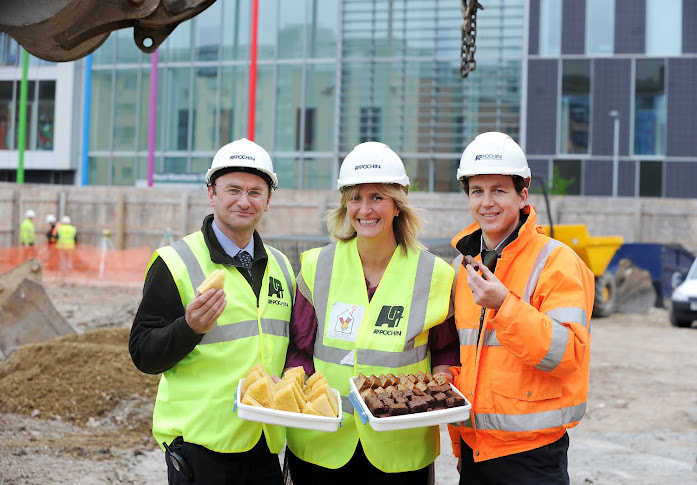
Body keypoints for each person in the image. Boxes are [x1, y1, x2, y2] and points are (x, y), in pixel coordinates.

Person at [284, 141, 458, 485]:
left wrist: (440, 386)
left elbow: (446, 351)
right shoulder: (318, 266)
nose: (365, 209)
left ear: (398, 204)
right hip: (322, 446)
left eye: (377, 197)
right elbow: (298, 350)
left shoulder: (435, 274)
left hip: (400, 448)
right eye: (355, 197)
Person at [129, 138, 295, 485]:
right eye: (233, 189)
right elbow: (144, 353)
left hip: (264, 444)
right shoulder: (175, 262)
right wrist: (188, 328)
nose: (243, 201)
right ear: (212, 193)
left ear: (268, 200)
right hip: (200, 448)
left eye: (255, 192)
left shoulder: (281, 267)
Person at [447, 132, 595, 484]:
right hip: (474, 452)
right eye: (477, 191)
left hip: (533, 457)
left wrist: (504, 306)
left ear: (522, 194)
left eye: (499, 190)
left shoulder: (557, 262)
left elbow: (569, 353)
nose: (487, 202)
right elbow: (464, 361)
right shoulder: (463, 267)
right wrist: (458, 445)